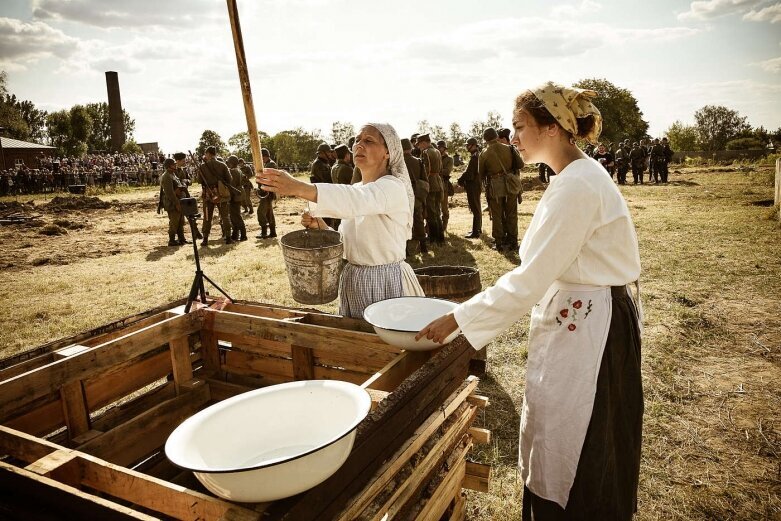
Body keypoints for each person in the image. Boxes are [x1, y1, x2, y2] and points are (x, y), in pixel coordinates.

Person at [418, 81, 643, 520]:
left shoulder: (578, 184)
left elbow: (531, 278)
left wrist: (459, 319)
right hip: (582, 319)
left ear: (553, 127)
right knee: (559, 430)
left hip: (592, 333)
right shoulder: (573, 178)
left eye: (520, 126)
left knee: (580, 440)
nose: (513, 136)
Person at [258, 123, 424, 318]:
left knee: (389, 343)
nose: (358, 145)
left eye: (368, 141)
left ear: (388, 152)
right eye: (356, 140)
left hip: (386, 281)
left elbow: (354, 200)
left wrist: (296, 187)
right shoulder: (359, 187)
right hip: (355, 281)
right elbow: (352, 242)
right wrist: (324, 228)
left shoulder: (392, 187)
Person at [479, 127, 523, 251]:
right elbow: (520, 164)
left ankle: (499, 243)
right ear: (496, 136)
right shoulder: (509, 148)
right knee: (512, 214)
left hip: (495, 187)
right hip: (511, 185)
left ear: (485, 139)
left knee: (497, 215)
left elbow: (480, 174)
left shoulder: (484, 153)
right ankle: (513, 241)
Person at [198, 146, 233, 245]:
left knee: (207, 217)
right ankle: (228, 237)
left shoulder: (202, 166)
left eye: (206, 153)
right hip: (221, 194)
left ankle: (205, 239)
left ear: (208, 153)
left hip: (208, 195)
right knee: (225, 216)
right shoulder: (222, 165)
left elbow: (199, 181)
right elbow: (229, 179)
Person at [402, 137, 428, 255]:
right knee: (418, 220)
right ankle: (423, 247)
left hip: (402, 195)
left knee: (403, 222)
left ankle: (405, 250)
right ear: (410, 148)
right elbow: (424, 179)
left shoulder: (397, 164)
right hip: (416, 194)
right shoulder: (418, 161)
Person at [416, 134, 445, 244]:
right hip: (438, 182)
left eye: (419, 144)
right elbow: (441, 168)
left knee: (431, 213)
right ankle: (441, 237)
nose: (419, 147)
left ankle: (434, 238)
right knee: (437, 211)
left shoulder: (426, 152)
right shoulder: (437, 151)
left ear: (424, 142)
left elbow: (426, 171)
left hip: (431, 184)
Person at [457, 137, 482, 238]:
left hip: (473, 185)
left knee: (475, 208)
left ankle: (476, 232)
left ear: (474, 145)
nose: (467, 147)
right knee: (477, 207)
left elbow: (469, 174)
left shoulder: (475, 157)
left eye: (468, 145)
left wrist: (460, 180)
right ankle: (478, 229)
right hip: (475, 184)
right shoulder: (476, 156)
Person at [159, 158, 187, 246]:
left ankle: (181, 239)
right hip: (173, 203)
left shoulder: (173, 174)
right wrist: (177, 203)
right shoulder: (166, 176)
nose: (175, 165)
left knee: (180, 221)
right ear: (168, 166)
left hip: (179, 200)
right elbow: (170, 193)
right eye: (173, 164)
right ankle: (172, 240)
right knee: (174, 221)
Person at [256, 148, 277, 239]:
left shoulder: (271, 164)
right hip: (267, 191)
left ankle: (264, 232)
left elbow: (268, 178)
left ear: (263, 156)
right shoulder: (268, 164)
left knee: (260, 212)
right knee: (269, 213)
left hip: (268, 192)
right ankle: (273, 232)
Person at [226, 155, 247, 242]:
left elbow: (232, 185)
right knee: (234, 216)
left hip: (235, 195)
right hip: (238, 194)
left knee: (236, 216)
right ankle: (235, 235)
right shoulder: (238, 170)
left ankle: (243, 235)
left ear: (231, 163)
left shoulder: (233, 172)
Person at [437, 140, 454, 232]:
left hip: (444, 185)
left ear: (444, 148)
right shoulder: (435, 157)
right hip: (435, 184)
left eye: (441, 147)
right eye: (438, 147)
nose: (439, 149)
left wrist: (435, 171)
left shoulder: (449, 159)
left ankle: (444, 226)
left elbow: (447, 171)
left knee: (444, 207)